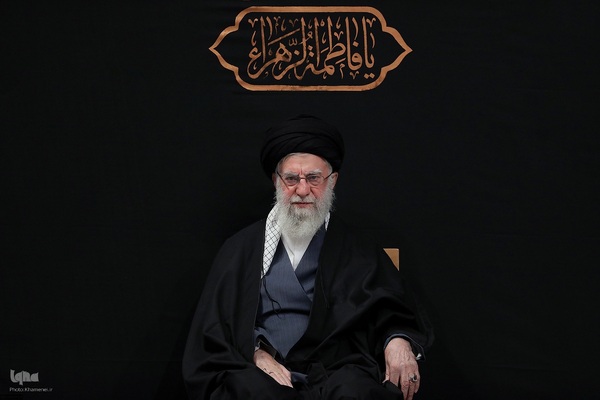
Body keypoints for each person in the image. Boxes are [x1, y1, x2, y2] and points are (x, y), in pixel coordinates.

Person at [182, 115, 432, 400]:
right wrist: (256, 352)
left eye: (313, 178)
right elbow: (215, 328)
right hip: (264, 370)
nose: (302, 190)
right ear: (276, 181)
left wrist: (397, 341)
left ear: (332, 180)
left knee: (356, 391)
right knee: (249, 390)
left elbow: (391, 311)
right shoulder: (240, 248)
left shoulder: (358, 249)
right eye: (291, 179)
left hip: (336, 368)